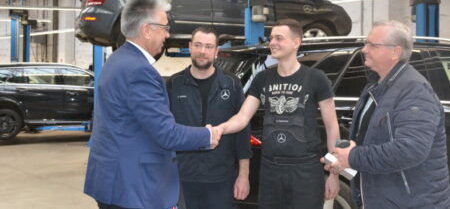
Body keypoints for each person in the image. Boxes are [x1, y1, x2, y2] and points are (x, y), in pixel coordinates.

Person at [84, 0, 220, 209]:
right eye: (164, 27)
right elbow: (167, 134)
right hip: (133, 186)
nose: (167, 34)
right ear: (147, 29)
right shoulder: (140, 71)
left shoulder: (116, 61)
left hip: (111, 180)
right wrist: (208, 135)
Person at [324, 21, 450, 208]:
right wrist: (344, 158)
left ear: (395, 52)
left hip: (410, 202)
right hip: (385, 198)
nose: (364, 49)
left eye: (372, 45)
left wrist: (352, 157)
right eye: (366, 43)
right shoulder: (376, 85)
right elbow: (372, 138)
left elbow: (409, 150)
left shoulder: (414, 91)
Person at [217, 19, 340, 209]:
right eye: (271, 38)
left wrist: (334, 174)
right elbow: (242, 117)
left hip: (306, 171)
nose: (272, 42)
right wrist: (218, 129)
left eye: (279, 38)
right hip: (271, 170)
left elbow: (332, 127)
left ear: (296, 42)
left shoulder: (316, 78)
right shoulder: (262, 78)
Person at [167, 26, 252, 209]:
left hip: (221, 179)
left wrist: (243, 175)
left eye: (208, 46)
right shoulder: (174, 84)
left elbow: (243, 134)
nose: (202, 52)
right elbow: (164, 132)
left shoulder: (232, 84)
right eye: (198, 45)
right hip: (182, 178)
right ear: (189, 47)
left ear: (216, 51)